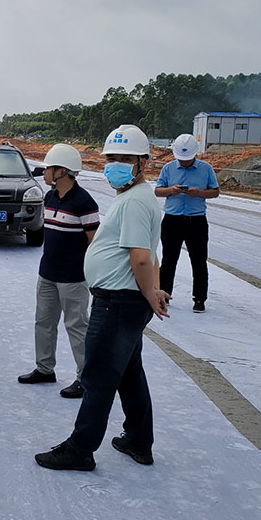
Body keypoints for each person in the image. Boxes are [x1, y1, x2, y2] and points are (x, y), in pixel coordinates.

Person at [35, 124, 170, 471]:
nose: (114, 165)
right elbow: (150, 254)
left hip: (118, 302)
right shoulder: (135, 196)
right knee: (128, 373)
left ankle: (80, 449)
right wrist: (152, 290)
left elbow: (141, 258)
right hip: (124, 300)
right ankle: (138, 439)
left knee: (97, 376)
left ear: (143, 163)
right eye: (111, 158)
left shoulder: (135, 201)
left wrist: (149, 293)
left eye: (124, 159)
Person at [18, 144, 99, 399]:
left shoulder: (84, 203)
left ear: (61, 171)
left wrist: (93, 275)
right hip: (47, 274)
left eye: (48, 169)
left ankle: (86, 379)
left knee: (77, 327)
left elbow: (94, 243)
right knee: (43, 322)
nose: (44, 173)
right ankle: (45, 369)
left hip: (73, 278)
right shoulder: (50, 197)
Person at [155, 133, 219, 313]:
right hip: (172, 220)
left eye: (187, 159)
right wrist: (171, 190)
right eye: (181, 159)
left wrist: (199, 193)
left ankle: (199, 299)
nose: (184, 162)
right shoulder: (168, 168)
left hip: (196, 221)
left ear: (195, 154)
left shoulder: (206, 169)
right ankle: (164, 296)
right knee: (168, 260)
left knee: (199, 261)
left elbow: (215, 191)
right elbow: (158, 190)